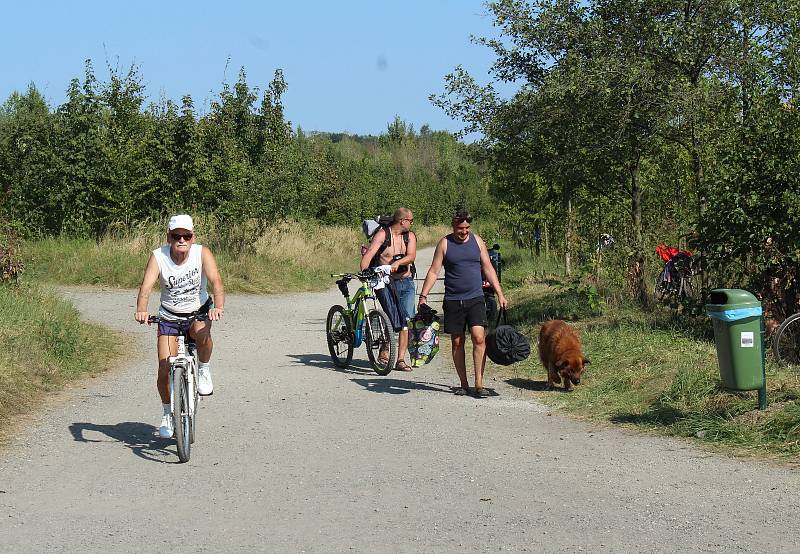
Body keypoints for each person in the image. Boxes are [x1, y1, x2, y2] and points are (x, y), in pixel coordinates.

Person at [134, 214, 225, 438]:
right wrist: (141, 309)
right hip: (169, 316)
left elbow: (216, 282)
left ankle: (203, 369)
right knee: (164, 368)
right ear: (169, 237)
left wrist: (218, 306)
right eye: (177, 236)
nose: (181, 240)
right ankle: (167, 413)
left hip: (198, 312)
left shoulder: (202, 253)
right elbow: (146, 288)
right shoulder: (158, 256)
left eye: (186, 235)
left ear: (193, 237)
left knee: (201, 332)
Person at [418, 209, 508, 397]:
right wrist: (423, 296)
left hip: (475, 298)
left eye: (467, 227)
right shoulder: (444, 243)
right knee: (458, 342)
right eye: (461, 228)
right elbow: (434, 271)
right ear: (453, 226)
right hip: (453, 300)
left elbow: (488, 268)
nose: (464, 231)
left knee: (479, 338)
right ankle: (464, 384)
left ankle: (479, 384)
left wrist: (500, 293)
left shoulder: (478, 242)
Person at [360, 207, 417, 371]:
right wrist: (365, 274)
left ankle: (400, 359)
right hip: (386, 283)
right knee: (391, 318)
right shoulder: (383, 235)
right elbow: (369, 256)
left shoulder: (410, 236)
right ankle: (385, 352)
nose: (412, 223)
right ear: (402, 221)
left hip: (406, 282)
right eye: (410, 220)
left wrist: (398, 263)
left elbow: (411, 256)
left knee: (405, 319)